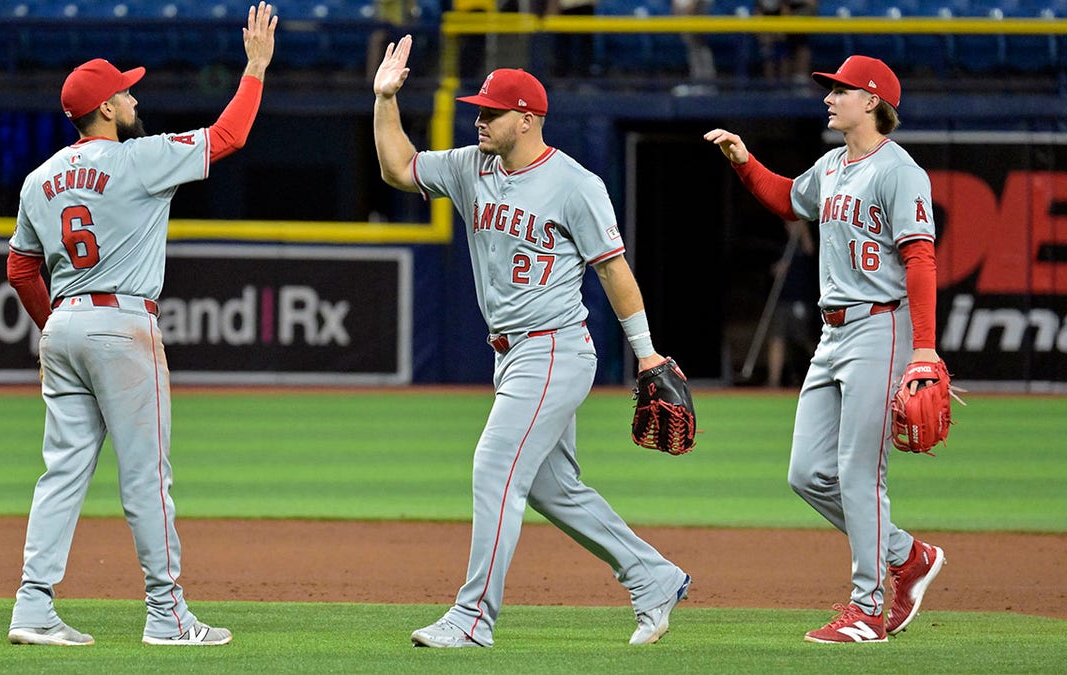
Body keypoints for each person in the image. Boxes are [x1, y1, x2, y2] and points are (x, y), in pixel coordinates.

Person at [373, 35, 692, 649]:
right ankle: (653, 575)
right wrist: (385, 99)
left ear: (527, 118)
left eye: (491, 111)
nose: (479, 118)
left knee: (495, 467)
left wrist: (647, 352)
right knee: (554, 488)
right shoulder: (471, 166)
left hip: (554, 347)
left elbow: (614, 270)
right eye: (479, 109)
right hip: (512, 353)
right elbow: (398, 167)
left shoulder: (575, 183)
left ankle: (473, 619)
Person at [4, 2, 278, 647]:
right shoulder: (140, 159)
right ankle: (166, 613)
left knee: (61, 471)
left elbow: (19, 269)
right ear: (105, 108)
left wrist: (52, 328)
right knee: (146, 475)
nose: (133, 95)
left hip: (66, 323)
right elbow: (230, 135)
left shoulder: (39, 179)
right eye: (125, 90)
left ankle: (33, 606)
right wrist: (256, 67)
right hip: (122, 325)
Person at [704, 55, 946, 643]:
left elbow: (918, 258)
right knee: (807, 472)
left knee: (858, 474)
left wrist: (924, 350)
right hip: (833, 333)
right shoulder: (833, 165)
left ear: (871, 100)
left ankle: (867, 609)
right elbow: (789, 199)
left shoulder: (899, 171)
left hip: (880, 327)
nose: (828, 98)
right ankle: (907, 556)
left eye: (838, 90)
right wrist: (743, 161)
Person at [766, 219, 818, 388]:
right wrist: (778, 269)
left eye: (792, 223)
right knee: (777, 338)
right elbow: (771, 268)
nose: (788, 227)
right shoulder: (783, 245)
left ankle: (819, 377)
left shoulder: (805, 243)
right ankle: (773, 382)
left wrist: (802, 230)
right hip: (783, 300)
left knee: (804, 341)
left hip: (802, 300)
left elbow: (811, 250)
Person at [755, 0, 817, 86]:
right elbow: (760, 10)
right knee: (769, 48)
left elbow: (811, 4)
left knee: (793, 48)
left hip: (791, 23)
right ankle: (770, 85)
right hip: (771, 21)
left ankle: (793, 82)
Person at [672, 0, 717, 95]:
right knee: (694, 47)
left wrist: (693, 4)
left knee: (700, 46)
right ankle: (700, 84)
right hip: (689, 14)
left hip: (702, 10)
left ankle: (707, 85)